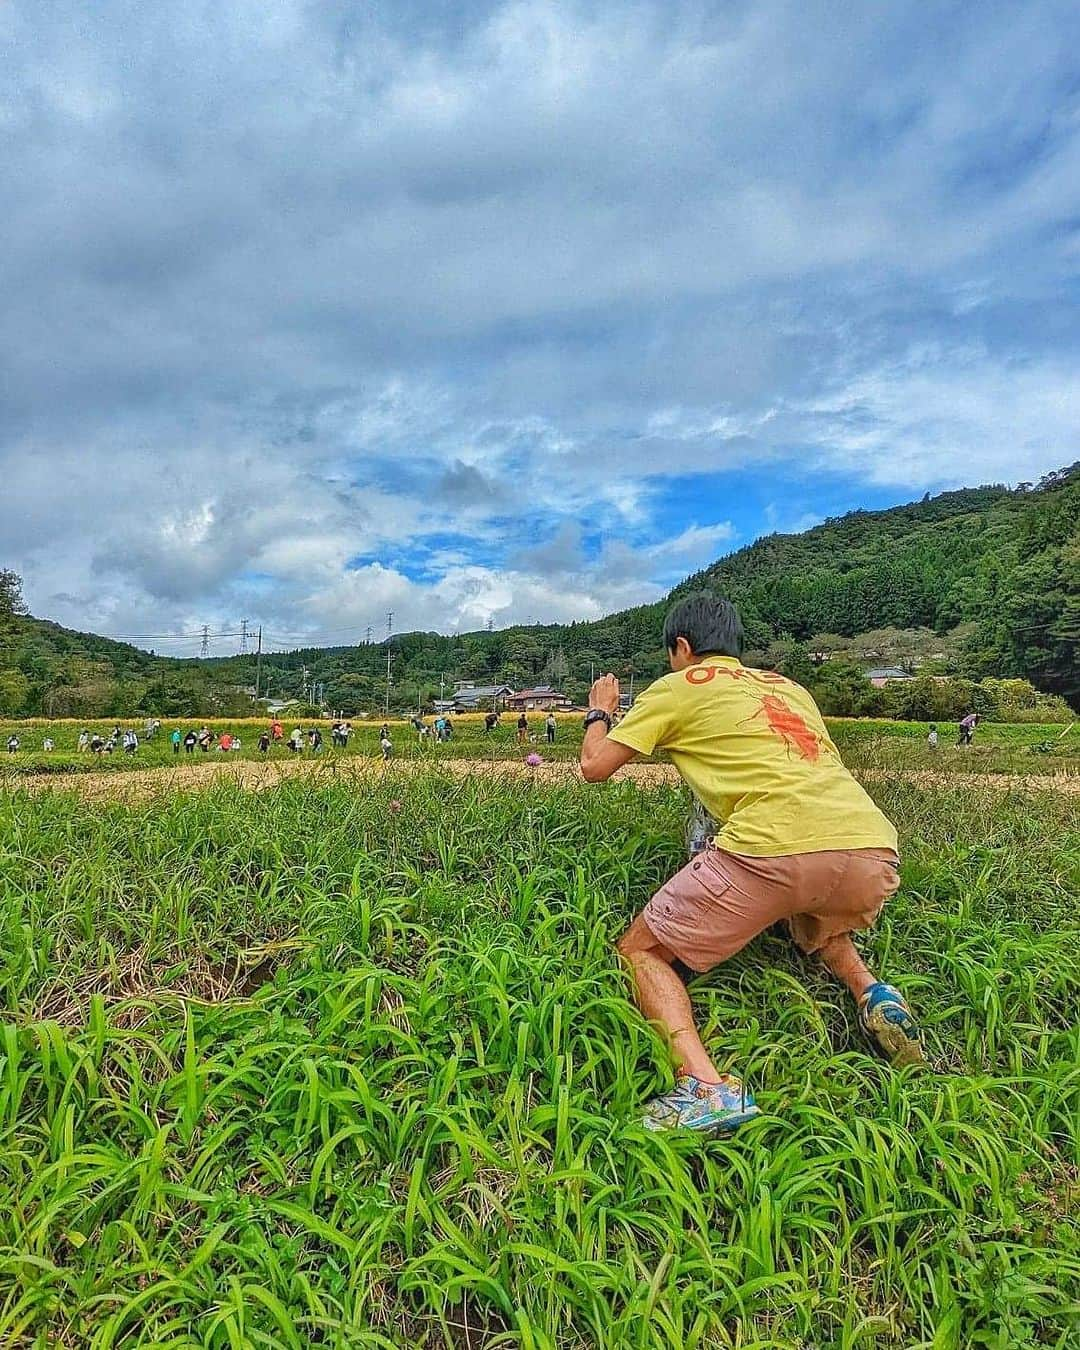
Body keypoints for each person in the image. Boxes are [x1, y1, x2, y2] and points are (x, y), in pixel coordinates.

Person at [578, 592, 922, 1135]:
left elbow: (595, 767)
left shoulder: (675, 688)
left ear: (683, 648)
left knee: (640, 952)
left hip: (769, 849)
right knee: (813, 908)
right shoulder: (790, 688)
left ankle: (705, 1089)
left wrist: (600, 710)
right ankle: (872, 991)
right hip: (871, 847)